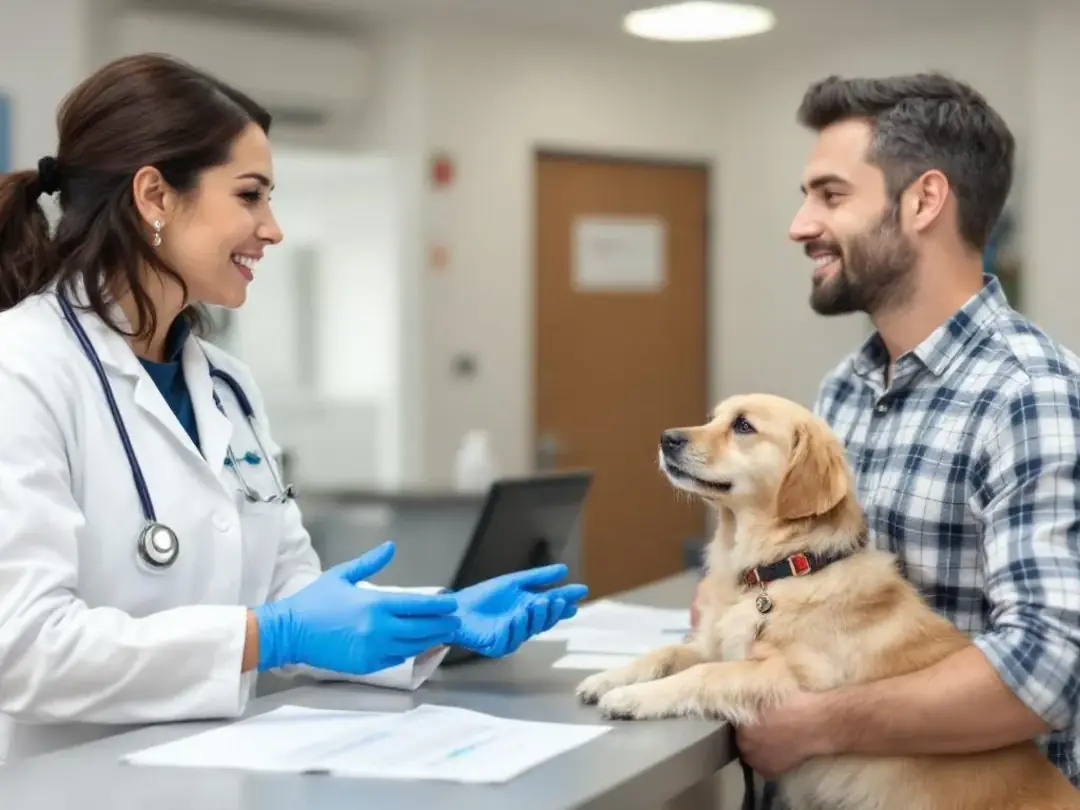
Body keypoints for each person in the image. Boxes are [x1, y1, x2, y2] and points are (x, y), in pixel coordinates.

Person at [0, 53, 587, 764]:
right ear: (154, 196)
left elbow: (291, 592)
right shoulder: (23, 367)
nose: (272, 229)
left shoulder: (225, 384)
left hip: (225, 770)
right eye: (250, 196)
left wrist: (431, 619)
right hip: (70, 785)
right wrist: (269, 634)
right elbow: (24, 649)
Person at [694, 72, 1080, 806]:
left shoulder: (1030, 397)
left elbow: (1045, 669)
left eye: (830, 196)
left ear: (924, 200)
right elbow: (800, 582)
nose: (800, 224)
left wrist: (820, 724)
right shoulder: (846, 388)